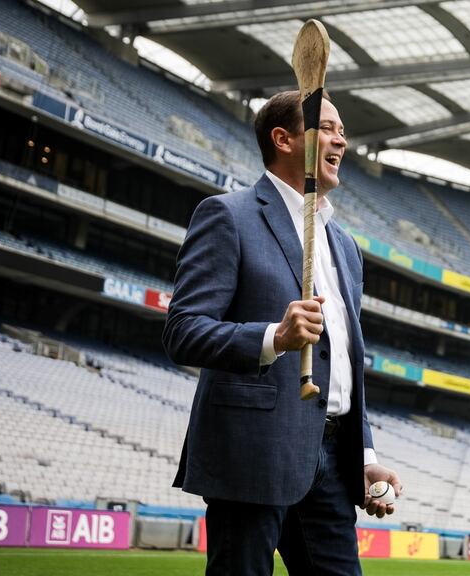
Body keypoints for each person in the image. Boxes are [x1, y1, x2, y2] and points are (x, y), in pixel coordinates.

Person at [163, 90, 402, 575]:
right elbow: (183, 331)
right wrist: (275, 337)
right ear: (283, 139)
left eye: (342, 131)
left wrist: (364, 455)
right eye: (328, 128)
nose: (342, 140)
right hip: (253, 452)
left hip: (333, 463)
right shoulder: (228, 215)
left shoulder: (345, 246)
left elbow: (344, 364)